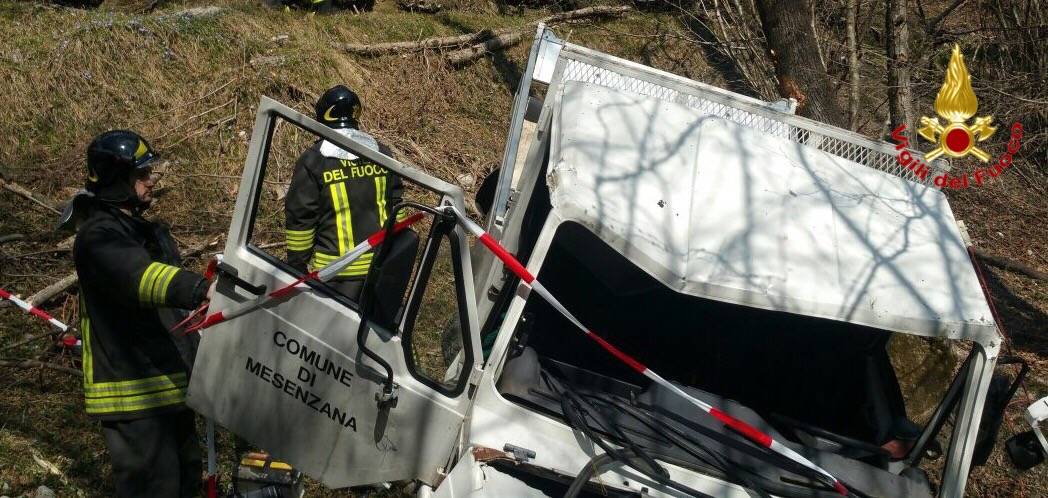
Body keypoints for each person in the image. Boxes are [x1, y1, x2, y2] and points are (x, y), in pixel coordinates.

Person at [67, 130, 209, 498]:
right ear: (117, 180)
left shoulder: (135, 229)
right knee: (154, 489)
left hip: (165, 384)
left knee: (186, 482)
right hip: (132, 394)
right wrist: (200, 288)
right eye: (141, 175)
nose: (150, 181)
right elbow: (141, 279)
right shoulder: (99, 236)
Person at [284, 85, 417, 324]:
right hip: (379, 273)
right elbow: (398, 210)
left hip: (334, 276)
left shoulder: (314, 160)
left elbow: (300, 221)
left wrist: (295, 267)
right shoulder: (381, 153)